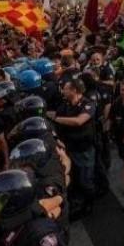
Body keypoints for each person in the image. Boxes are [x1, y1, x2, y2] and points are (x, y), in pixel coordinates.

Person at [49, 78, 97, 217]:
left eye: (66, 88)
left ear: (74, 90)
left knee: (85, 180)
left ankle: (89, 205)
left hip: (84, 150)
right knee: (73, 179)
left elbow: (79, 121)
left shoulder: (88, 104)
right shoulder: (65, 104)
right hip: (69, 149)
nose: (63, 90)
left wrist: (56, 118)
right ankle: (77, 204)